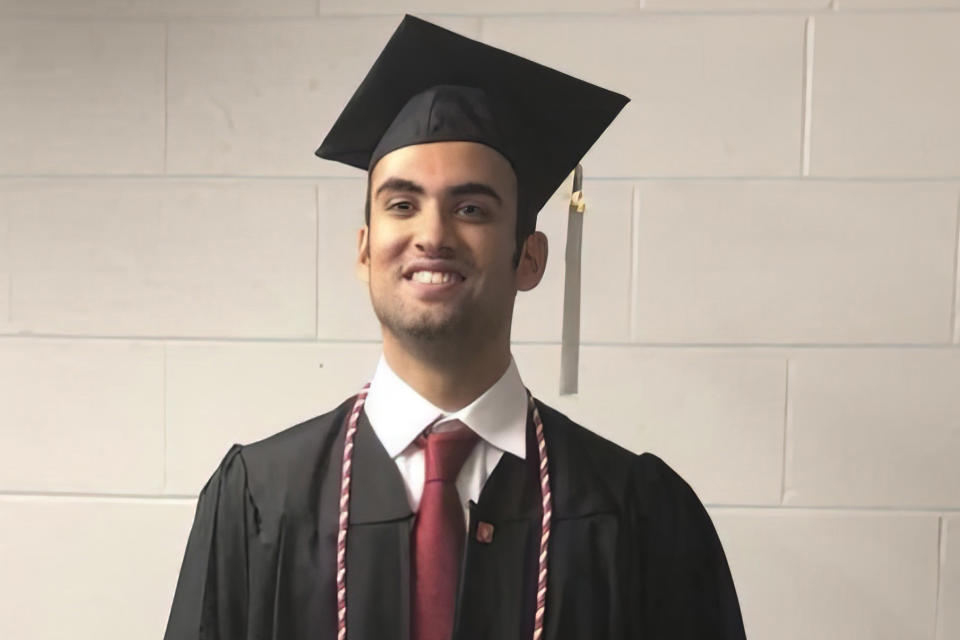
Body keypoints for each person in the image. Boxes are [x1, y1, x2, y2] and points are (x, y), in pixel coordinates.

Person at [163, 15, 746, 640]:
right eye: (401, 204)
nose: (433, 235)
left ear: (529, 257)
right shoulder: (257, 502)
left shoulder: (637, 514)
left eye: (471, 208)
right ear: (364, 251)